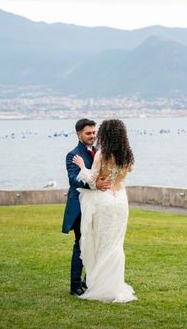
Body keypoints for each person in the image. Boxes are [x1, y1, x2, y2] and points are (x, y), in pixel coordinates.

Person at [72, 119, 137, 303]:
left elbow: (93, 179)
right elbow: (124, 174)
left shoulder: (102, 154)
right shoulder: (127, 156)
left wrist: (81, 166)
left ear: (105, 134)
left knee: (103, 244)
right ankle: (115, 286)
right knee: (116, 244)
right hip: (121, 201)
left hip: (106, 201)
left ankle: (103, 287)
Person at [62, 118, 111, 297]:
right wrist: (94, 184)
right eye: (88, 133)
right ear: (78, 134)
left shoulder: (99, 153)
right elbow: (73, 179)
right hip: (81, 208)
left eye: (93, 132)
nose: (92, 136)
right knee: (81, 245)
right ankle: (75, 285)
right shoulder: (73, 155)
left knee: (98, 245)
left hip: (98, 206)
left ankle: (88, 280)